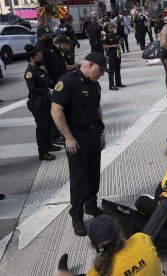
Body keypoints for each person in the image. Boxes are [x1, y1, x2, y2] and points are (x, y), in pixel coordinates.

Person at [51, 52, 109, 236]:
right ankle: (76, 216)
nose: (101, 75)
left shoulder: (94, 84)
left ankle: (91, 207)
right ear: (90, 64)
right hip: (76, 136)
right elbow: (56, 111)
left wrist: (101, 132)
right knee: (78, 179)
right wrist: (68, 137)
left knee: (93, 175)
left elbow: (97, 107)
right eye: (100, 71)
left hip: (93, 134)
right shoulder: (67, 82)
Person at [53, 215, 162, 276]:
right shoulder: (141, 239)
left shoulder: (101, 272)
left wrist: (62, 273)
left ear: (94, 245)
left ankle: (64, 269)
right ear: (120, 230)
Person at [24, 45, 62, 161]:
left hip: (46, 101)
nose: (41, 57)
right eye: (38, 56)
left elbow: (46, 81)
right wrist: (47, 90)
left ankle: (49, 145)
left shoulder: (39, 69)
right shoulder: (30, 72)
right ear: (31, 58)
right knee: (42, 127)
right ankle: (43, 152)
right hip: (37, 103)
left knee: (49, 124)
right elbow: (32, 89)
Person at [103, 23, 125, 91]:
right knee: (111, 70)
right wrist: (113, 46)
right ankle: (111, 86)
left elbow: (120, 41)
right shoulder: (106, 36)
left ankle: (118, 83)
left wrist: (121, 41)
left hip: (117, 53)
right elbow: (104, 46)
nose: (113, 29)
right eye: (111, 28)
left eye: (113, 27)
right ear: (108, 29)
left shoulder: (116, 35)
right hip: (111, 54)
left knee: (118, 69)